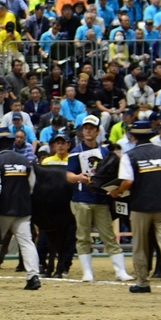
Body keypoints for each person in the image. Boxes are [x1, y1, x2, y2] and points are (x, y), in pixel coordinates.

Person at [110, 120, 161, 294]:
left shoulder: (129, 156)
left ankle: (143, 282)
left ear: (133, 136)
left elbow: (128, 181)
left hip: (140, 206)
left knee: (140, 245)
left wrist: (117, 191)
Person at [65, 116, 134, 282]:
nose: (88, 130)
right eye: (86, 127)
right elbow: (68, 175)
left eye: (91, 128)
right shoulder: (76, 152)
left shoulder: (104, 152)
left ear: (97, 131)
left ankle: (120, 271)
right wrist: (79, 178)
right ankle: (87, 272)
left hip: (101, 199)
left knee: (109, 235)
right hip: (82, 198)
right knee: (83, 236)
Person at [0, 128, 42, 290]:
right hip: (23, 208)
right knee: (27, 243)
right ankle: (33, 276)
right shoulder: (25, 161)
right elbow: (31, 185)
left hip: (3, 210)